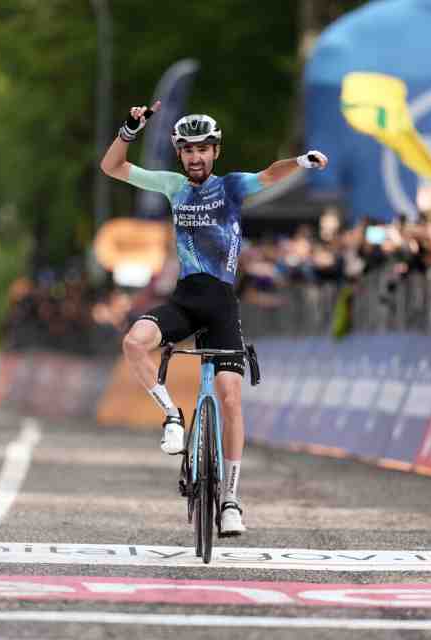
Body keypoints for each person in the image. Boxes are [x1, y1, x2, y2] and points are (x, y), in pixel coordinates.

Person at [100, 101, 328, 535]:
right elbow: (112, 166)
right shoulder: (172, 186)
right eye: (188, 150)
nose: (195, 157)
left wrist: (300, 161)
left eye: (203, 149)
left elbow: (270, 174)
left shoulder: (233, 187)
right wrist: (130, 127)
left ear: (216, 152)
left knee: (230, 396)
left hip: (223, 304)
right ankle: (171, 417)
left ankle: (230, 500)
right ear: (179, 154)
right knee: (134, 341)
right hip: (184, 301)